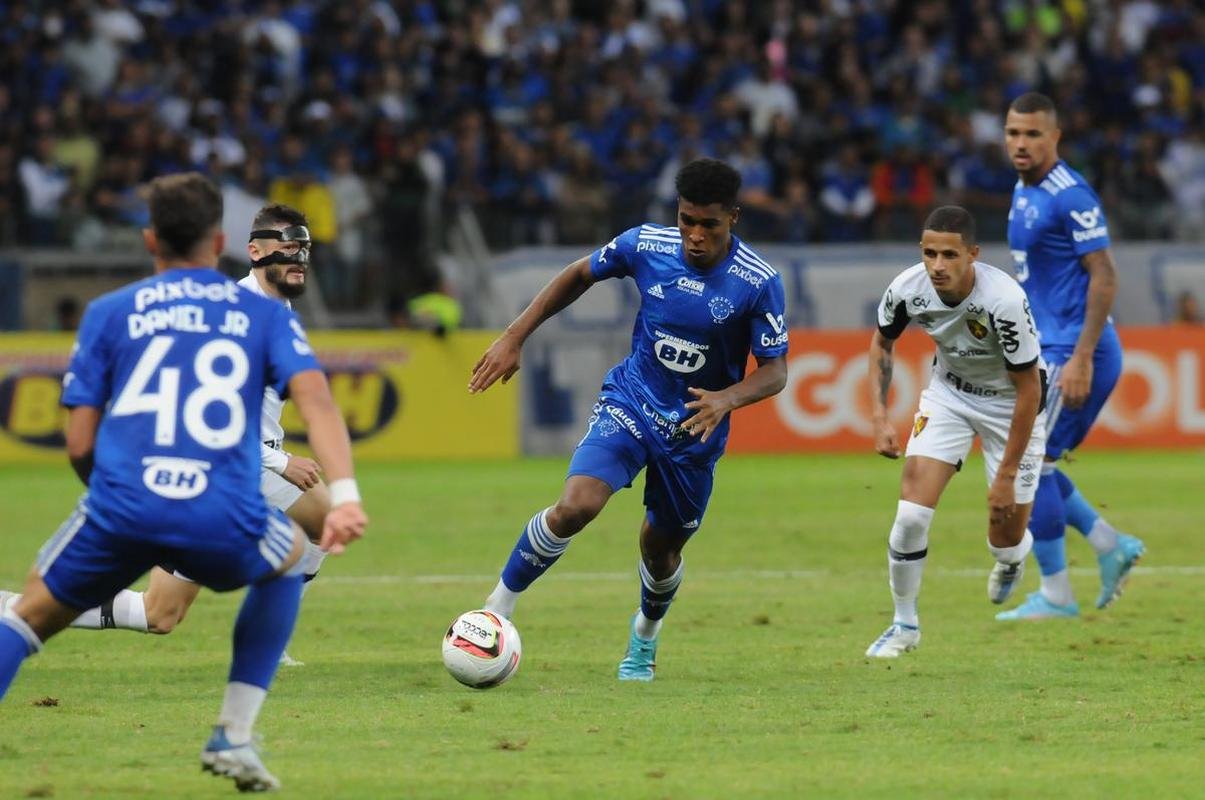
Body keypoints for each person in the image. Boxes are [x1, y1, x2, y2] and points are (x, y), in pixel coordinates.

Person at [0, 173, 368, 792]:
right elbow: (321, 406)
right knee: (287, 559)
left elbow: (80, 441)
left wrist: (111, 498)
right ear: (223, 242)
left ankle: (12, 610)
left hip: (126, 496)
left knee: (41, 618)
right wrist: (336, 489)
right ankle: (234, 733)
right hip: (218, 496)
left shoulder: (108, 312)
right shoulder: (257, 316)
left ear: (150, 239)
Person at [470, 158, 788, 681]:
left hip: (693, 430)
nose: (695, 235)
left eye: (709, 224)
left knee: (659, 552)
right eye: (687, 220)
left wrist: (727, 399)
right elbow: (579, 274)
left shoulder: (757, 282)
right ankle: (495, 609)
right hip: (633, 400)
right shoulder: (646, 245)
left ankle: (645, 633)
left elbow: (775, 371)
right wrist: (514, 336)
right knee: (576, 506)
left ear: (733, 217)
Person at [0, 204, 331, 668]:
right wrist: (279, 462)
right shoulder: (234, 315)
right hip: (212, 467)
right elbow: (203, 416)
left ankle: (272, 642)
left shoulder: (278, 308)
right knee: (160, 613)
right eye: (289, 245)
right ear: (254, 251)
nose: (299, 256)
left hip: (249, 461)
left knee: (323, 520)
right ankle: (19, 610)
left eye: (304, 247)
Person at [865, 206, 1046, 658]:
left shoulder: (1003, 300)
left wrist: (1005, 476)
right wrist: (880, 417)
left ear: (973, 254)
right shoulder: (907, 288)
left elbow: (1030, 389)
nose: (938, 265)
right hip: (949, 395)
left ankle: (1012, 558)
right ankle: (904, 624)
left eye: (949, 255)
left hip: (1010, 404)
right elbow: (882, 343)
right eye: (930, 254)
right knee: (910, 516)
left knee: (1004, 537)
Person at [998, 92, 1145, 621]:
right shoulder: (1024, 189)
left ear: (1055, 137)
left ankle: (1058, 594)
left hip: (1075, 350)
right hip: (1049, 347)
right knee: (1035, 463)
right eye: (1013, 132)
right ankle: (1110, 544)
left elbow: (1104, 275)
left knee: (1027, 466)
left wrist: (1081, 357)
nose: (1021, 143)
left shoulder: (1070, 195)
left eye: (1032, 134)